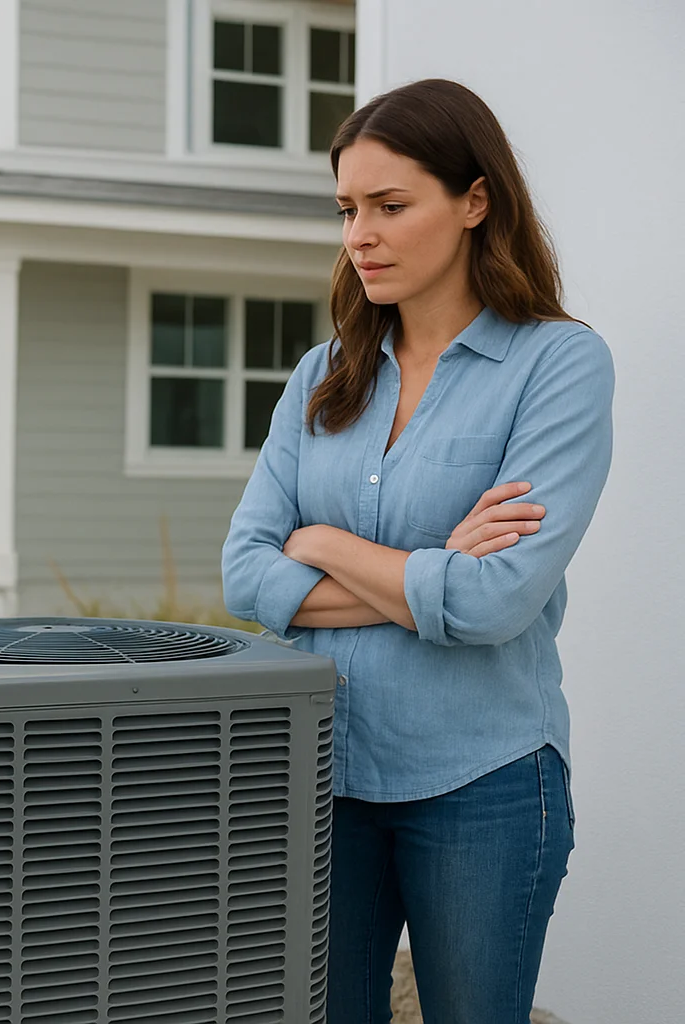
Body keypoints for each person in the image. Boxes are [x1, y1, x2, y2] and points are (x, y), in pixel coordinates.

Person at [221, 78, 613, 1023]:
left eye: (392, 206)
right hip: (328, 780)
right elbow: (244, 571)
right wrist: (433, 566)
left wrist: (318, 545)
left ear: (476, 201)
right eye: (349, 209)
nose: (361, 234)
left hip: (483, 782)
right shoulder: (323, 376)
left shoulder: (558, 365)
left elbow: (495, 604)